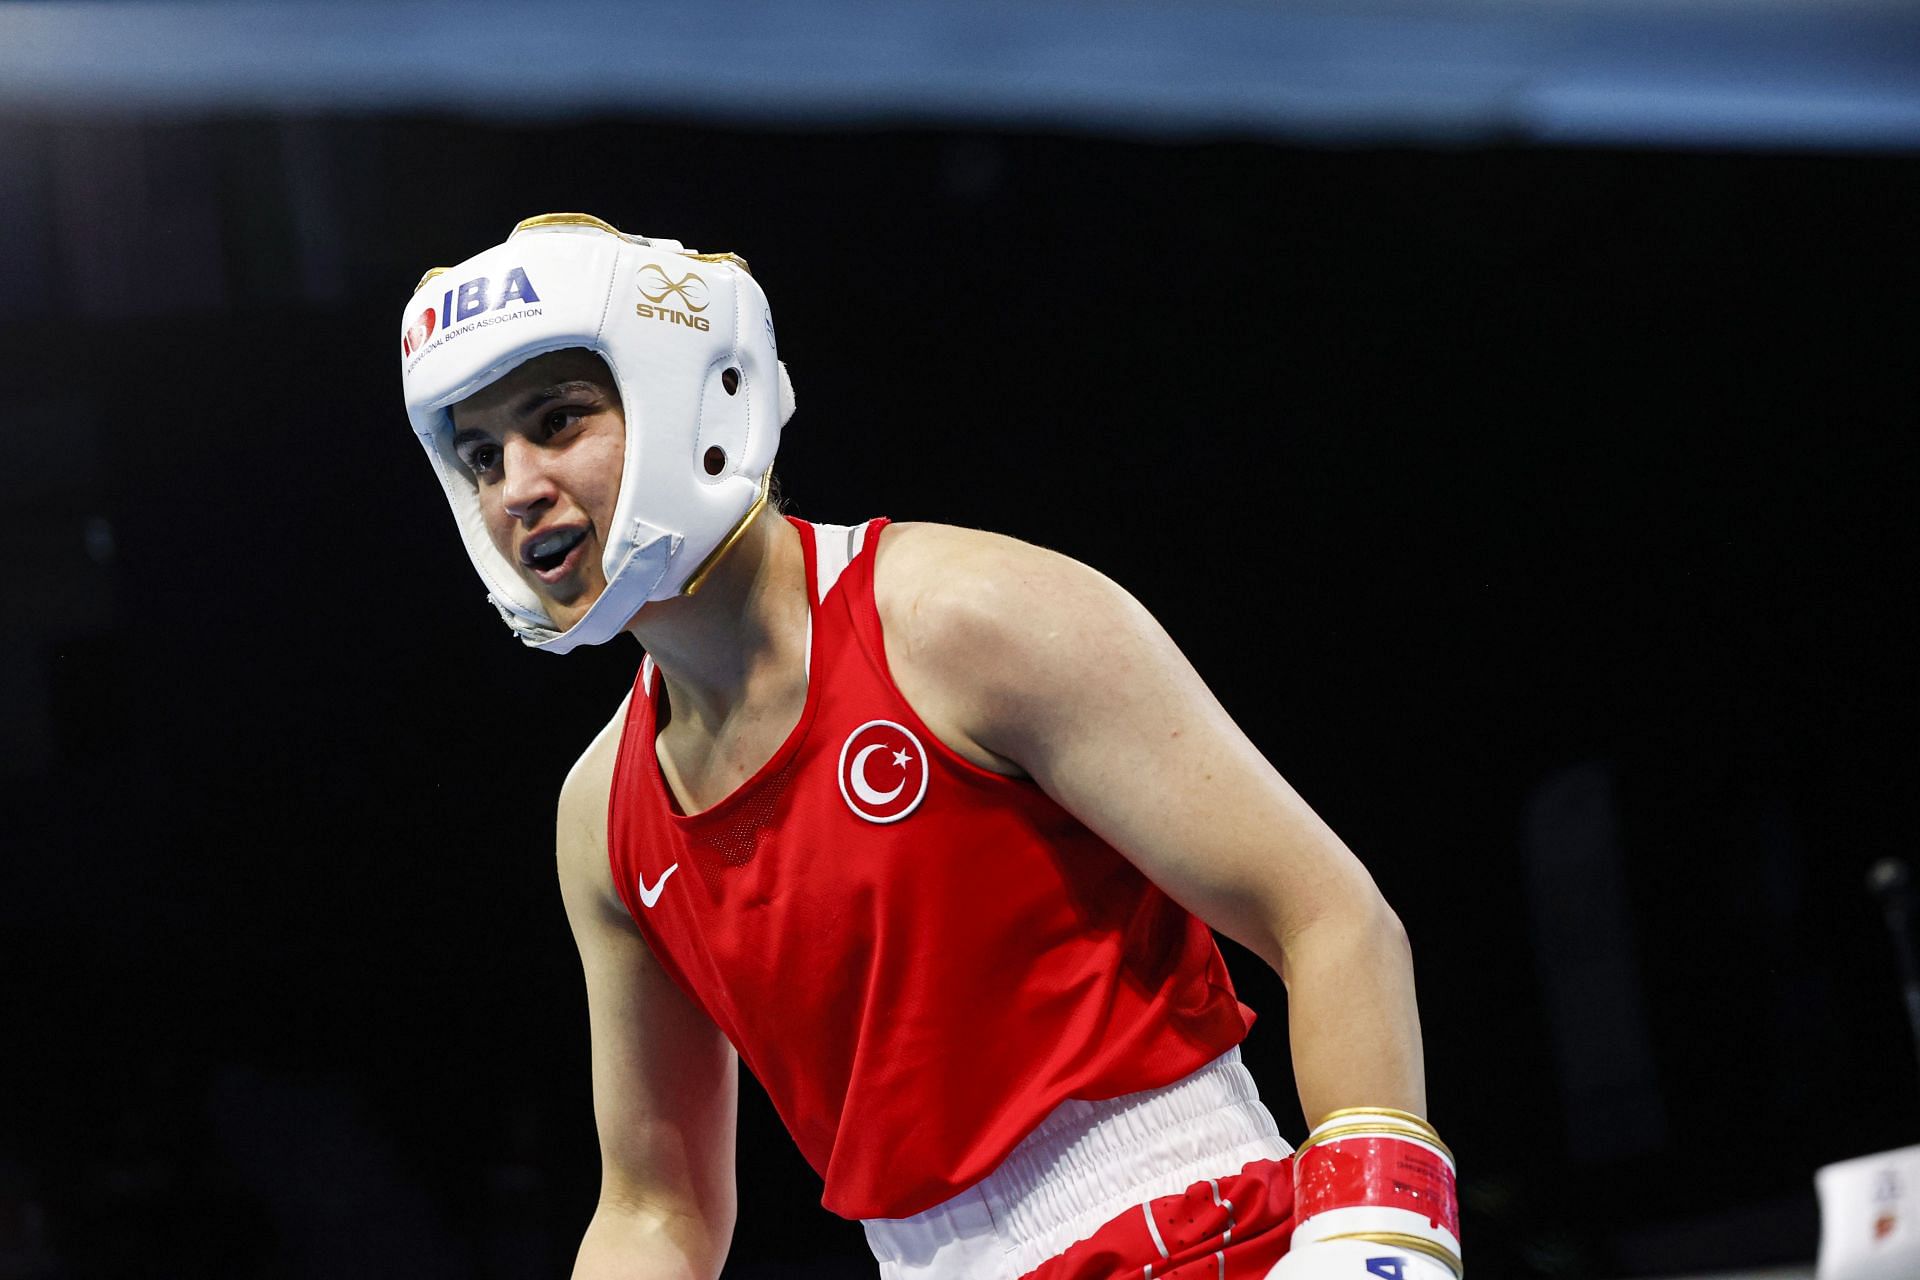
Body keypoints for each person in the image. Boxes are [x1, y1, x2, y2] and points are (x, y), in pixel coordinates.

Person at [399, 213, 1462, 1280]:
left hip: (1193, 1236)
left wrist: (1379, 1234)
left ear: (684, 393)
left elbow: (1328, 914)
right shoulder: (603, 815)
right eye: (484, 455)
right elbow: (653, 1209)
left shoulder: (963, 616)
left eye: (561, 418)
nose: (517, 486)